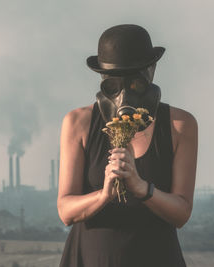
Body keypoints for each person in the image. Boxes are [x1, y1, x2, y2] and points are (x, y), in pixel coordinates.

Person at [57, 24, 198, 267]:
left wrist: (143, 189)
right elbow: (66, 211)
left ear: (150, 72)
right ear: (102, 78)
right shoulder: (78, 123)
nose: (124, 93)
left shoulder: (179, 125)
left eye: (135, 81)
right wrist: (104, 195)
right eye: (114, 83)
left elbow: (182, 213)